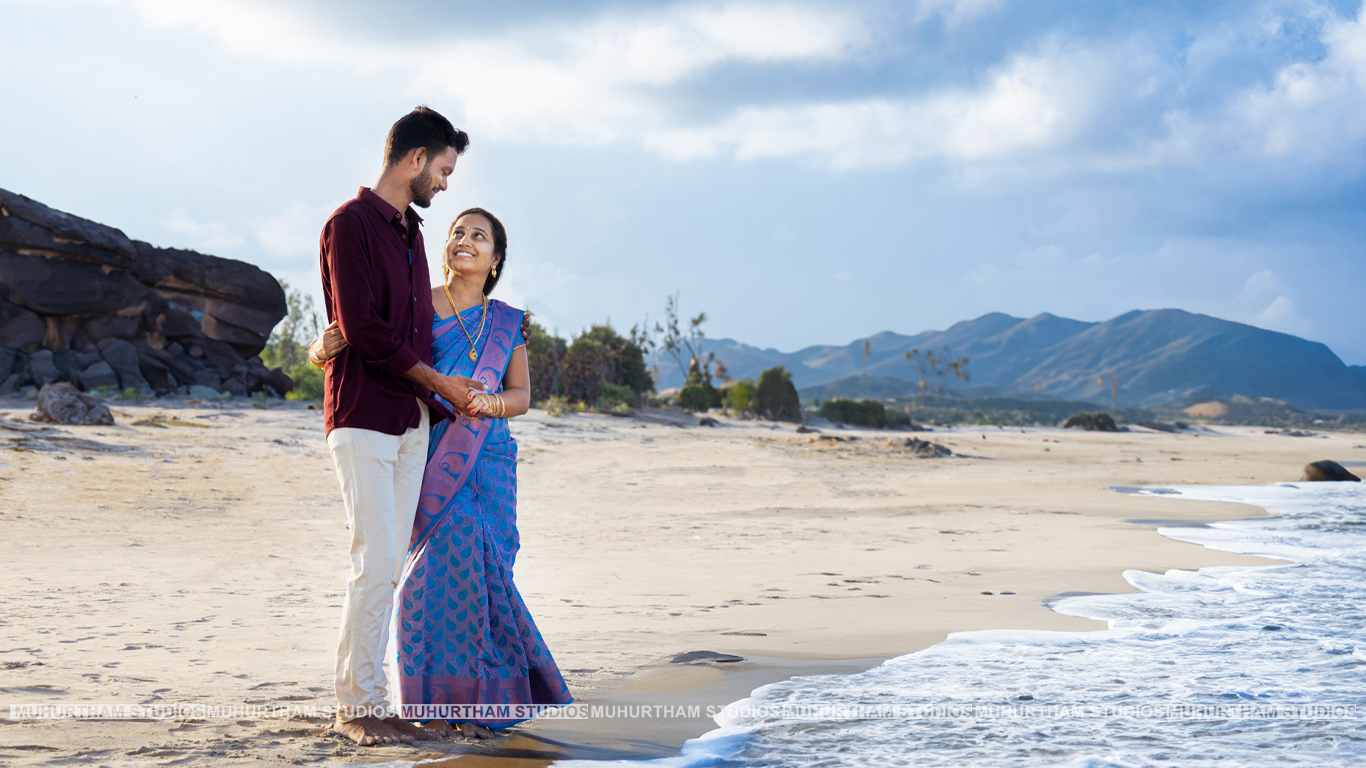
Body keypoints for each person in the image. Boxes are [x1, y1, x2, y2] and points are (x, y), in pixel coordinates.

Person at [311, 207, 573, 740]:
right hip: (430, 453)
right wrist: (320, 349)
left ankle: (485, 708)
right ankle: (430, 702)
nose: (464, 240)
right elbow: (366, 344)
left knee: (487, 576)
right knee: (427, 581)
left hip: (491, 459)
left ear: (495, 258)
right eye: (457, 231)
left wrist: (488, 406)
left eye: (479, 236)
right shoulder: (417, 306)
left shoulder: (507, 321)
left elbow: (521, 395)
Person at [318, 105, 485, 747]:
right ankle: (354, 706)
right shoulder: (349, 224)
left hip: (412, 420)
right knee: (374, 559)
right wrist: (441, 385)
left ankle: (374, 698)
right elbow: (363, 330)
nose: (444, 184)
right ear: (416, 159)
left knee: (389, 567)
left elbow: (421, 327)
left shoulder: (412, 235)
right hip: (362, 414)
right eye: (442, 170)